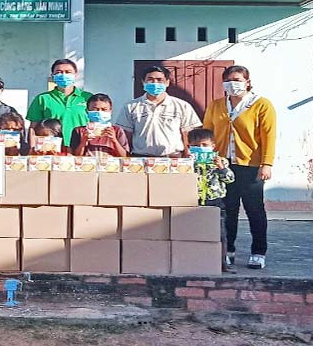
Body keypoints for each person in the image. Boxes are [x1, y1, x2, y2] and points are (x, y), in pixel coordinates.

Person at [203, 65, 276, 270]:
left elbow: (268, 136)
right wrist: (207, 159)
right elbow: (207, 133)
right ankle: (229, 250)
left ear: (247, 82)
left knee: (255, 210)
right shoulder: (216, 105)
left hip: (251, 166)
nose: (233, 84)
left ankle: (258, 252)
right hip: (222, 165)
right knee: (228, 209)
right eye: (228, 80)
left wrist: (266, 164)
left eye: (237, 79)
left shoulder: (261, 105)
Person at [116, 65, 202, 157]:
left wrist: (186, 156)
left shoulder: (182, 106)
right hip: (141, 159)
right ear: (143, 82)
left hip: (174, 158)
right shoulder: (130, 107)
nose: (155, 83)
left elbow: (187, 134)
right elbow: (126, 136)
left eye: (159, 80)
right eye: (150, 79)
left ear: (167, 83)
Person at [187, 128, 235, 273]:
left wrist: (221, 168)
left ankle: (222, 262)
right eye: (196, 145)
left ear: (213, 146)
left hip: (215, 201)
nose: (201, 148)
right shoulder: (188, 163)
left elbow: (230, 179)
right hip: (193, 202)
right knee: (194, 232)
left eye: (204, 145)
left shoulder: (221, 162)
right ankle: (195, 261)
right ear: (189, 146)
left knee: (219, 234)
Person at [26, 59, 93, 147]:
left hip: (82, 149)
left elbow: (95, 124)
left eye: (68, 72)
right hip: (52, 149)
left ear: (75, 74)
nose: (63, 75)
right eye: (59, 72)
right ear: (52, 76)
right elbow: (33, 129)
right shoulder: (43, 99)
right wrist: (32, 149)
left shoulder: (87, 97)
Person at [70, 93, 129, 157]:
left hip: (110, 166)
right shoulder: (79, 131)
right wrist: (83, 143)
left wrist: (114, 140)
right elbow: (75, 157)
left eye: (104, 109)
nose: (99, 112)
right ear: (87, 111)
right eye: (95, 109)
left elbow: (125, 156)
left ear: (110, 111)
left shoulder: (117, 130)